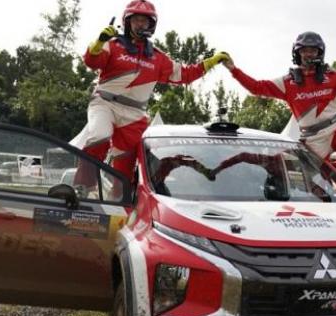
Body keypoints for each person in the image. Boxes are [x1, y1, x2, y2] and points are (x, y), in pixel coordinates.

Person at [72, 0, 229, 186]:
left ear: (151, 24)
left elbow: (185, 75)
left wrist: (211, 62)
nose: (140, 24)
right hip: (104, 103)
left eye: (144, 21)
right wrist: (99, 42)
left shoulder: (158, 57)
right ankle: (83, 188)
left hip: (135, 113)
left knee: (126, 162)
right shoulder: (112, 44)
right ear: (127, 22)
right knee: (100, 136)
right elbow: (91, 62)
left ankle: (121, 198)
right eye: (136, 20)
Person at [222, 32, 336, 175]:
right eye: (304, 50)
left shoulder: (333, 76)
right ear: (297, 53)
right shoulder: (287, 82)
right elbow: (256, 87)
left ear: (320, 53)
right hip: (312, 140)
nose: (309, 54)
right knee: (318, 186)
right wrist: (233, 69)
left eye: (313, 50)